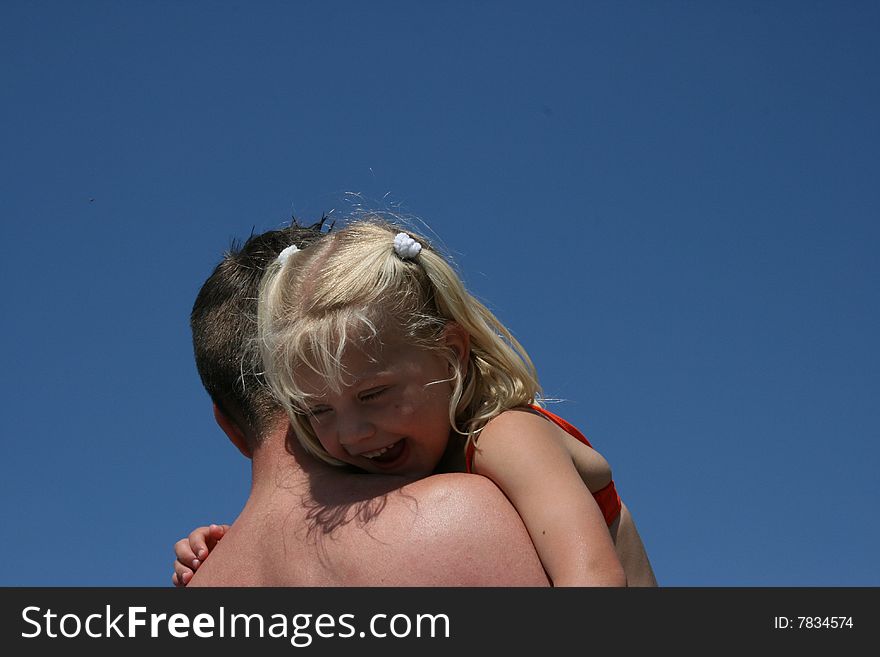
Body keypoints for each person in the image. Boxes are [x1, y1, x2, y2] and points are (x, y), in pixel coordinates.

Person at [175, 218, 656, 586]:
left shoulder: (506, 437)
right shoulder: (400, 459)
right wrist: (215, 540)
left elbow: (592, 576)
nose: (352, 433)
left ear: (451, 353)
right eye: (317, 411)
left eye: (374, 394)